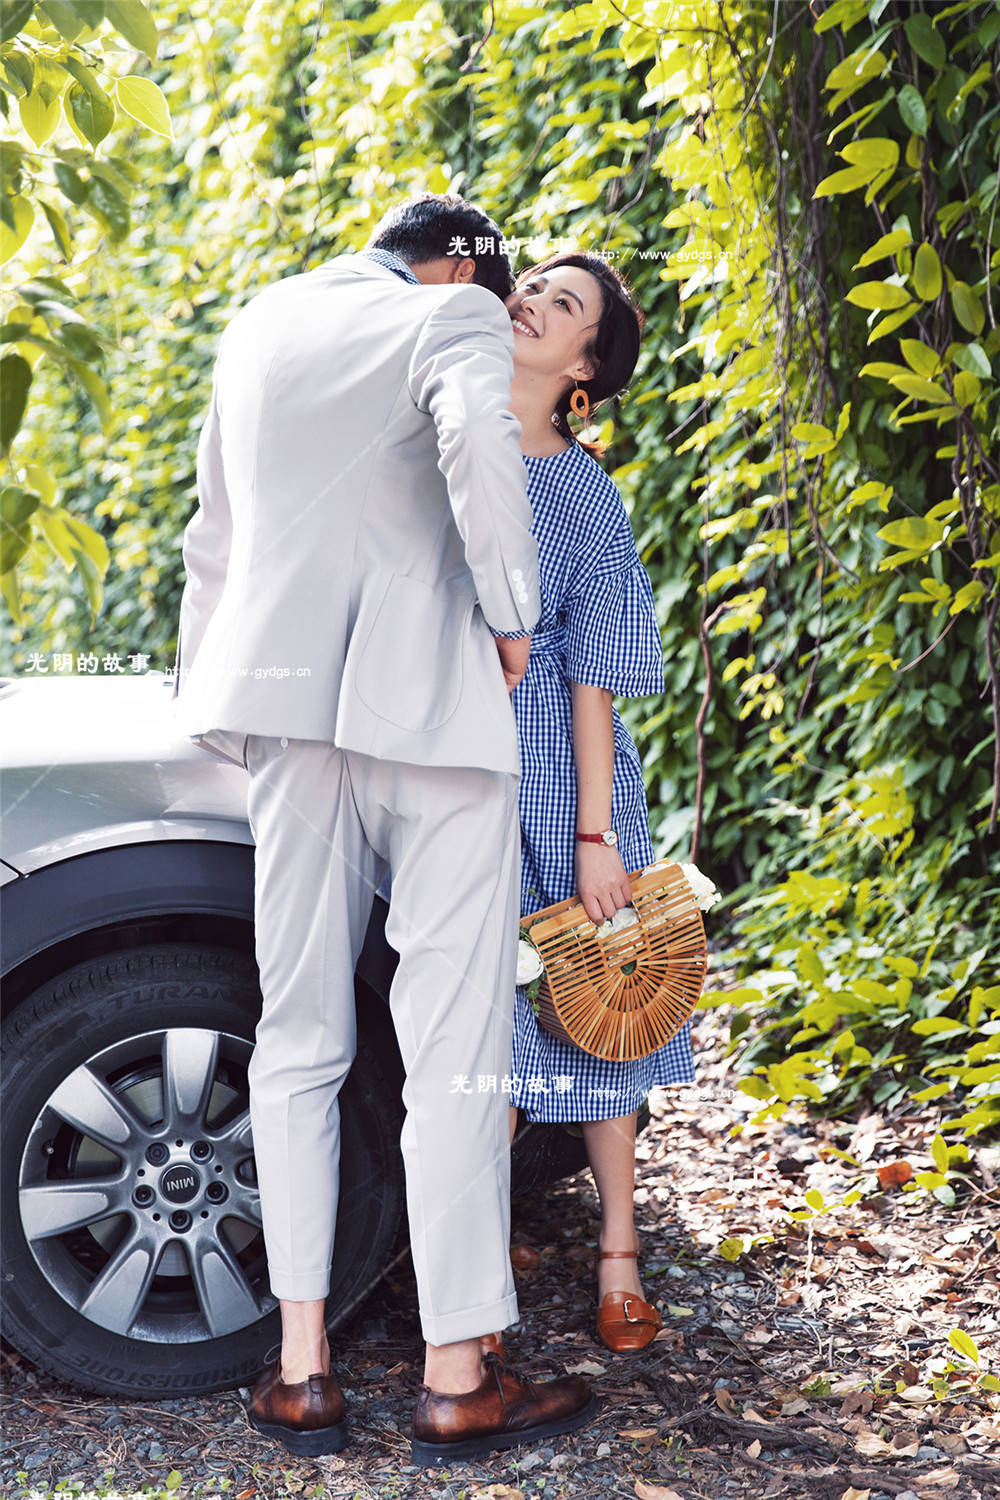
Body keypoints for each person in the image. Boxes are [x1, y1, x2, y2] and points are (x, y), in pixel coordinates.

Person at [173, 195, 598, 1463]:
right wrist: (512, 617)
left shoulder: (257, 323)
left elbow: (213, 537)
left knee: (298, 1037)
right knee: (451, 1044)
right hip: (432, 716)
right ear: (464, 270)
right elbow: (476, 441)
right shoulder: (450, 315)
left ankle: (301, 1369)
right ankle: (457, 1375)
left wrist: (214, 707)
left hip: (285, 724)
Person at [503, 252, 696, 1353]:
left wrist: (594, 834)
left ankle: (619, 1252)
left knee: (599, 1002)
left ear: (585, 367)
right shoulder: (437, 444)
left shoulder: (584, 491)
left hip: (561, 777)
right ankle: (477, 1253)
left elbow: (592, 677)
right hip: (444, 769)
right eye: (533, 282)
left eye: (562, 302)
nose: (531, 298)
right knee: (469, 1019)